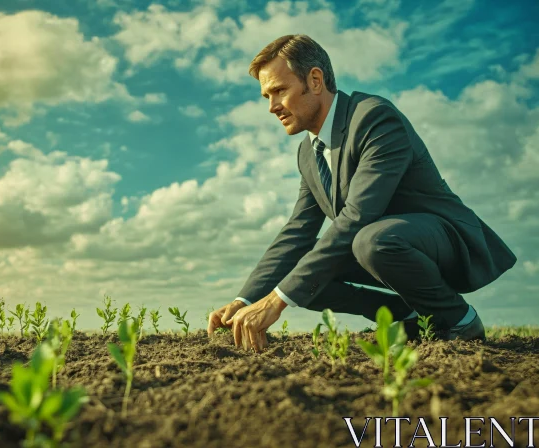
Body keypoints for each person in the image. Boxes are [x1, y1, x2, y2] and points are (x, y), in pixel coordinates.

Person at [206, 34, 517, 352]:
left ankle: (458, 319)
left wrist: (277, 301)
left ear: (315, 80)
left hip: (441, 243)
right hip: (380, 245)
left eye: (279, 91)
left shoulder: (373, 118)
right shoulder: (307, 153)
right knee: (299, 263)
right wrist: (245, 299)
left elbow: (358, 215)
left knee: (371, 240)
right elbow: (297, 232)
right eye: (265, 97)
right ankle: (409, 316)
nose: (271, 107)